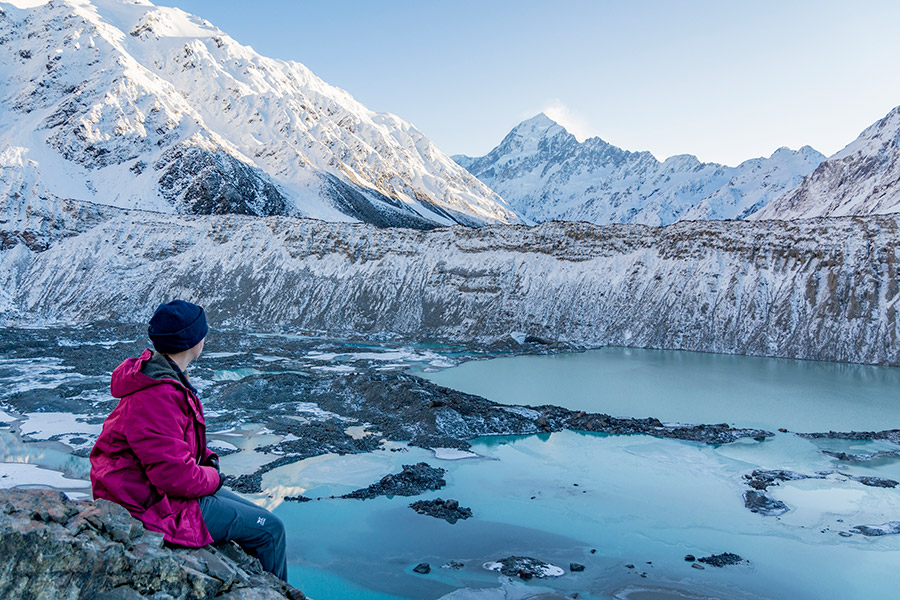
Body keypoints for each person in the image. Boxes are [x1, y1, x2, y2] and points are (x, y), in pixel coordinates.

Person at [89, 299, 288, 581]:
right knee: (270, 530)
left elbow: (172, 445)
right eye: (203, 332)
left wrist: (206, 462)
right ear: (192, 340)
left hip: (153, 493)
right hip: (153, 504)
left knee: (264, 520)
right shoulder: (157, 395)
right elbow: (175, 477)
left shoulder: (161, 378)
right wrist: (213, 477)